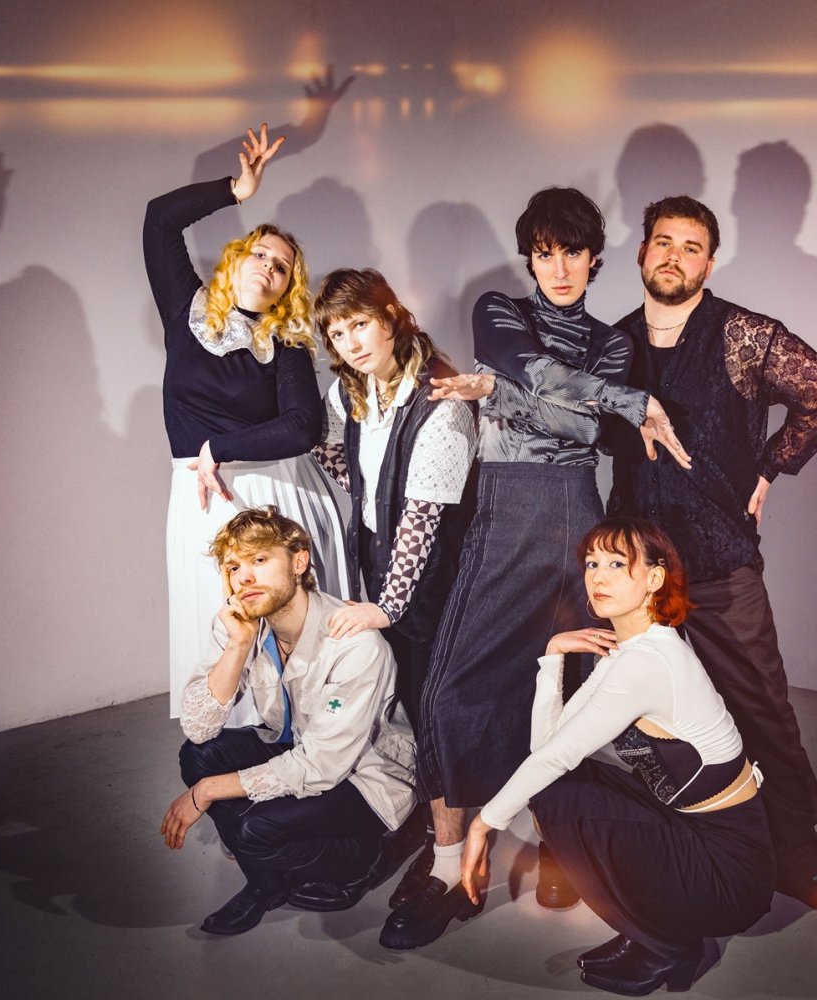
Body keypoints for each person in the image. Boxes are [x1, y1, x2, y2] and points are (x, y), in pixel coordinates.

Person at [380, 187, 688, 951]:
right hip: (505, 507)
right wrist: (620, 402)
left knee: (574, 692)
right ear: (530, 257)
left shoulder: (612, 343)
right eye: (545, 253)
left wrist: (502, 393)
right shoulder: (499, 310)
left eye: (573, 252)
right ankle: (448, 863)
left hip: (579, 515)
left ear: (594, 258)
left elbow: (581, 427)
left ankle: (560, 845)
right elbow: (552, 387)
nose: (559, 267)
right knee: (451, 689)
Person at [605, 194, 817, 928]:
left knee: (761, 709)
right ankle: (679, 848)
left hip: (719, 561)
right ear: (642, 252)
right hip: (635, 572)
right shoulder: (613, 345)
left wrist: (770, 466)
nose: (674, 257)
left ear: (709, 263)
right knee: (646, 715)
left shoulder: (742, 336)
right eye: (663, 242)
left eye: (690, 247)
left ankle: (801, 858)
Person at [461, 516, 775, 996]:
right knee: (558, 788)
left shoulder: (648, 661)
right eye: (592, 564)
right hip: (696, 834)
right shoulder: (629, 650)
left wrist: (482, 826)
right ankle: (647, 929)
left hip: (729, 874)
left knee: (557, 797)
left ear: (654, 577)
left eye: (616, 564)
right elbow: (547, 748)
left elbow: (552, 759)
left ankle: (669, 945)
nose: (598, 577)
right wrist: (553, 654)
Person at [143, 124, 347, 719]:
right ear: (237, 259)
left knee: (288, 633)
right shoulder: (186, 309)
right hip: (200, 496)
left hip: (272, 490)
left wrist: (220, 447)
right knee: (220, 626)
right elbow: (158, 219)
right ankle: (225, 733)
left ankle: (303, 734)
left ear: (287, 288)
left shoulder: (285, 342)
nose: (268, 266)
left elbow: (303, 426)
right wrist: (235, 189)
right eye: (260, 253)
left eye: (281, 267)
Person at [160, 506, 418, 935]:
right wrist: (238, 646)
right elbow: (199, 727)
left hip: (364, 776)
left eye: (259, 559)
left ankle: (368, 858)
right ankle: (266, 883)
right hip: (299, 744)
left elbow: (322, 765)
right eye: (233, 567)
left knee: (252, 827)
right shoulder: (241, 625)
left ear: (299, 562)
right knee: (198, 757)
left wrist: (207, 792)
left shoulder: (355, 645)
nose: (244, 577)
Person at [312, 267, 477, 737]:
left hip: (437, 566)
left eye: (360, 324)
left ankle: (444, 777)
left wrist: (387, 607)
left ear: (389, 316)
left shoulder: (441, 398)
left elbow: (422, 521)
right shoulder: (353, 387)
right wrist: (368, 494)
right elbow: (318, 440)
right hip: (381, 554)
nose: (351, 344)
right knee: (402, 685)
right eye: (337, 334)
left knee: (435, 694)